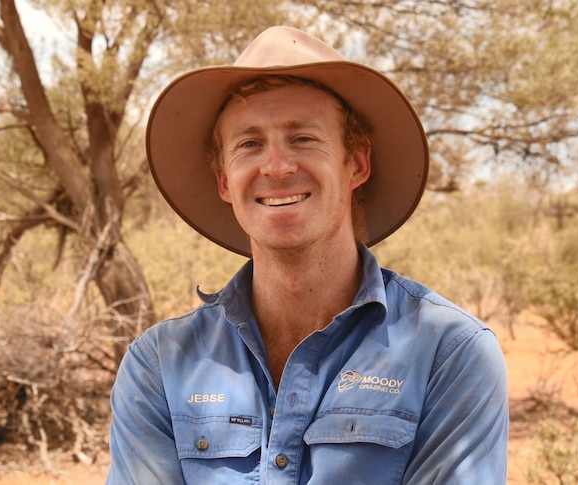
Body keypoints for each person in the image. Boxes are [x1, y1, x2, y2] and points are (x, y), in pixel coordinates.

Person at [106, 26, 509, 484]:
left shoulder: (448, 353)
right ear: (224, 180)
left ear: (356, 163)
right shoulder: (160, 364)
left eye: (303, 139)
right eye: (249, 144)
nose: (277, 166)